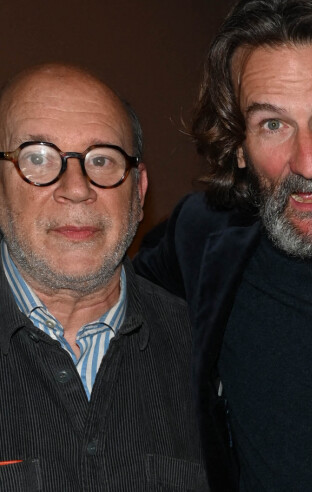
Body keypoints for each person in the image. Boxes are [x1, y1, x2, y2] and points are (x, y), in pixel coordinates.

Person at [133, 0, 312, 492]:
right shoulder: (202, 241)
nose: (309, 162)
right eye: (272, 125)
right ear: (237, 146)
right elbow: (87, 302)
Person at [0, 62, 210, 491]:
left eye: (102, 160)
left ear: (139, 190)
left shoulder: (207, 355)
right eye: (37, 158)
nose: (77, 188)